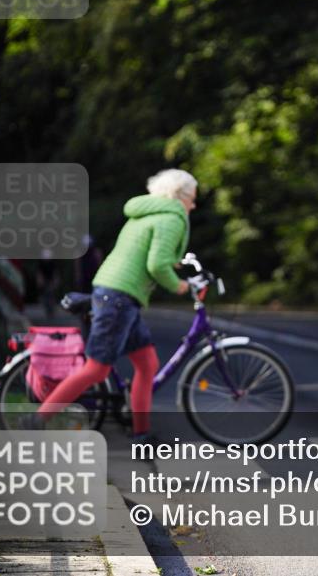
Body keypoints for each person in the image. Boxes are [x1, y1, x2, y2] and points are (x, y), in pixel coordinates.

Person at [31, 169, 197, 442]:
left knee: (146, 363)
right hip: (118, 298)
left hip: (117, 294)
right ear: (179, 196)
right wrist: (179, 285)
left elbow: (147, 254)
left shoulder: (146, 214)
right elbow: (156, 265)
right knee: (97, 370)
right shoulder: (171, 218)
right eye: (192, 197)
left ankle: (141, 434)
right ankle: (36, 421)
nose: (194, 204)